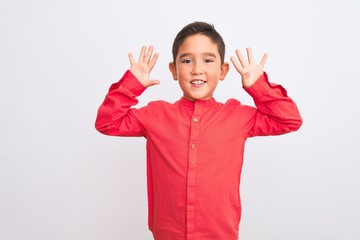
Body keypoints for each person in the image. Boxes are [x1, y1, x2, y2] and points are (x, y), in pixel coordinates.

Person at [95, 21, 302, 240]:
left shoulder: (238, 117)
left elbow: (289, 120)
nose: (197, 69)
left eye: (208, 60)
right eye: (186, 60)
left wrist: (258, 85)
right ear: (174, 70)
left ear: (222, 71)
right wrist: (132, 84)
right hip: (168, 233)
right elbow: (107, 123)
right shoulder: (155, 115)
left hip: (220, 233)